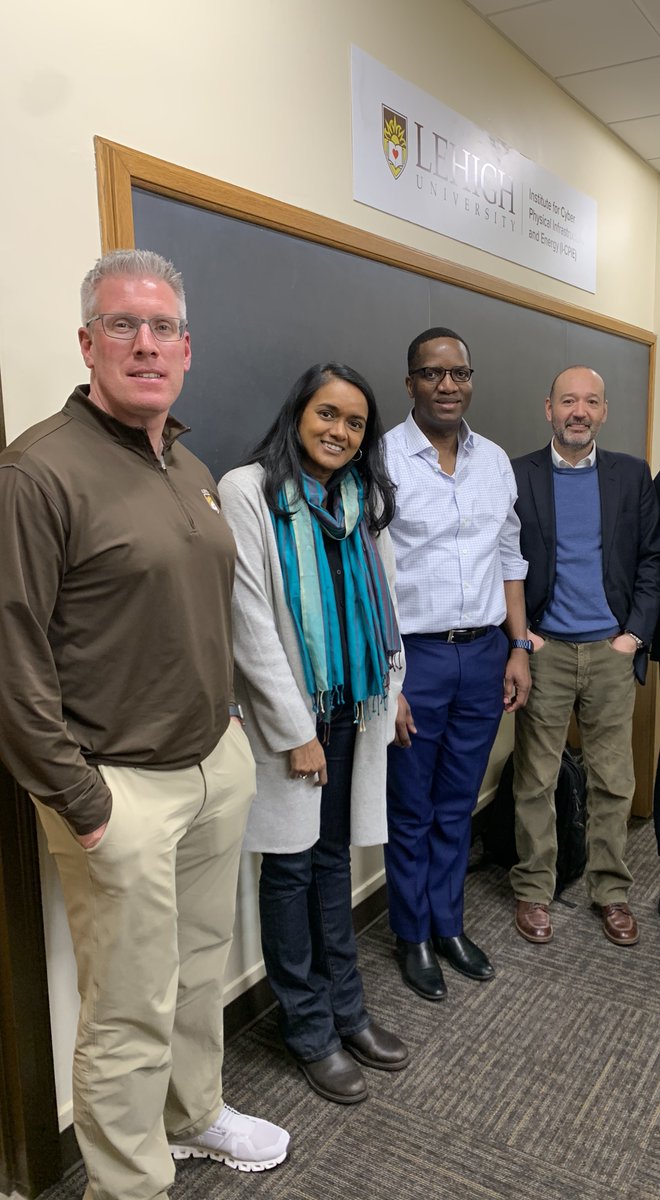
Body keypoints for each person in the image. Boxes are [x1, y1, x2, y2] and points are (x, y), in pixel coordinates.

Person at [0, 249, 289, 1200]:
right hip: (116, 789)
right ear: (88, 342)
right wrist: (82, 800)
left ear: (187, 348)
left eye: (164, 327)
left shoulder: (191, 464)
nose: (146, 343)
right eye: (123, 325)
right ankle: (126, 1185)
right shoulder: (38, 472)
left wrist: (234, 740)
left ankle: (193, 1113)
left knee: (199, 969)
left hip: (213, 767)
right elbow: (11, 654)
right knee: (128, 1007)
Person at [218, 363, 408, 1105]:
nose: (339, 431)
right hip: (289, 716)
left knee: (334, 860)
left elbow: (385, 603)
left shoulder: (361, 500)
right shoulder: (249, 492)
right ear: (299, 414)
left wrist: (394, 695)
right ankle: (308, 1029)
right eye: (327, 414)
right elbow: (249, 621)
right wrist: (297, 731)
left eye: (355, 423)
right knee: (290, 869)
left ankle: (349, 1011)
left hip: (353, 707)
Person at [384, 327, 530, 1001]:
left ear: (471, 380)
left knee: (457, 805)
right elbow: (371, 577)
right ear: (410, 381)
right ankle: (411, 934)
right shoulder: (381, 458)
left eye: (459, 373)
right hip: (416, 658)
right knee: (410, 807)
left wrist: (519, 645)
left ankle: (449, 924)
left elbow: (510, 560)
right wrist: (391, 681)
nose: (448, 385)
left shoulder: (494, 461)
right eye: (432, 374)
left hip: (485, 653)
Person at [511, 366, 660, 946]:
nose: (579, 411)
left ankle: (611, 891)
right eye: (568, 400)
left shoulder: (632, 474)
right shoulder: (519, 474)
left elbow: (652, 560)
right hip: (544, 649)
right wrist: (525, 637)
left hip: (610, 651)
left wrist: (633, 638)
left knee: (613, 779)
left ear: (604, 411)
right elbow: (505, 561)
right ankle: (532, 890)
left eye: (590, 401)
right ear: (548, 407)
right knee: (535, 778)